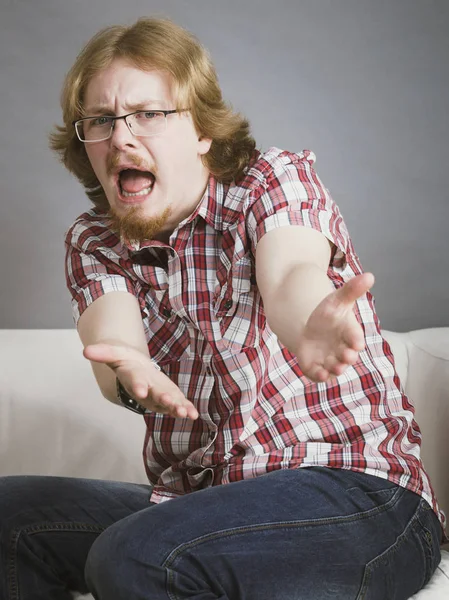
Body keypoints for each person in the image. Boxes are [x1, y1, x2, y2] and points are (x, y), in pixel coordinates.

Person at [0, 16, 445, 600]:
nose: (122, 137)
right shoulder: (94, 241)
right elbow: (113, 338)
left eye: (150, 114)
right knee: (10, 518)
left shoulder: (271, 182)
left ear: (203, 132)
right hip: (207, 507)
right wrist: (130, 372)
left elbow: (290, 273)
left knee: (137, 555)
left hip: (361, 497)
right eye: (102, 120)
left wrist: (306, 322)